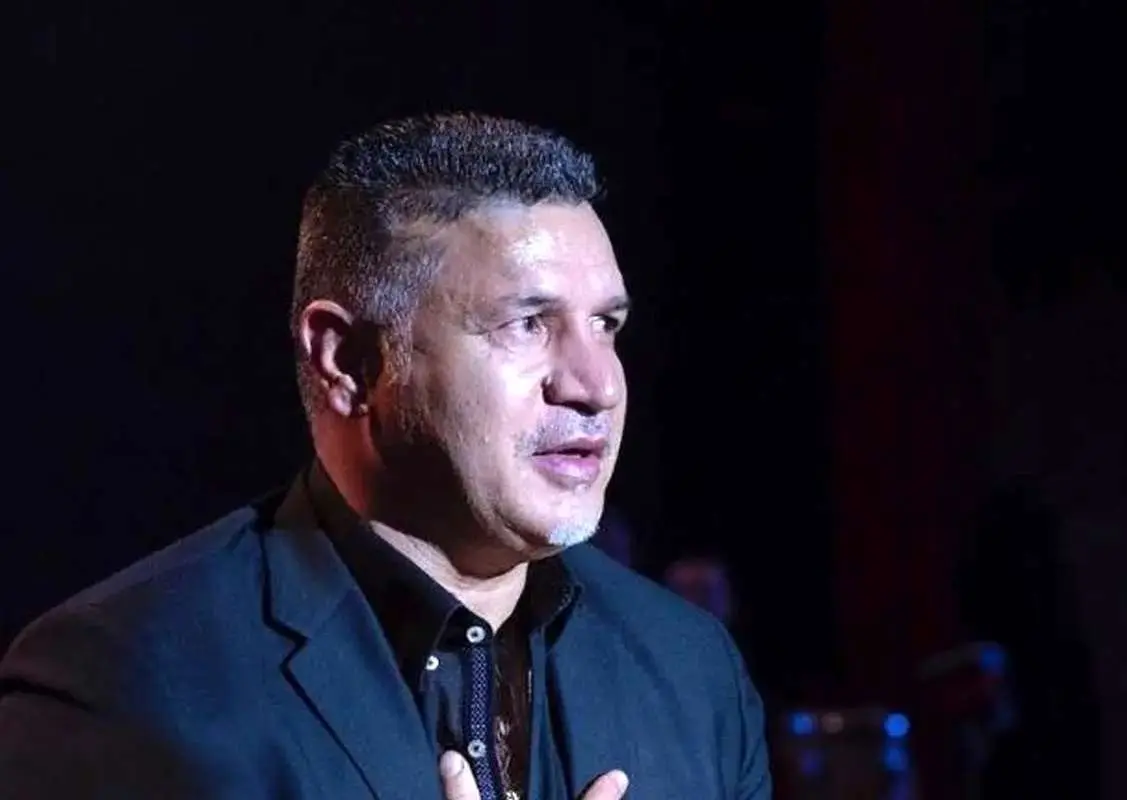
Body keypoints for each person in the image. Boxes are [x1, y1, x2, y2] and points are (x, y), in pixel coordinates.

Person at [0, 114, 770, 800]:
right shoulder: (127, 682)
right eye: (528, 323)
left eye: (606, 325)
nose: (596, 385)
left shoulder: (690, 670)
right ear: (347, 362)